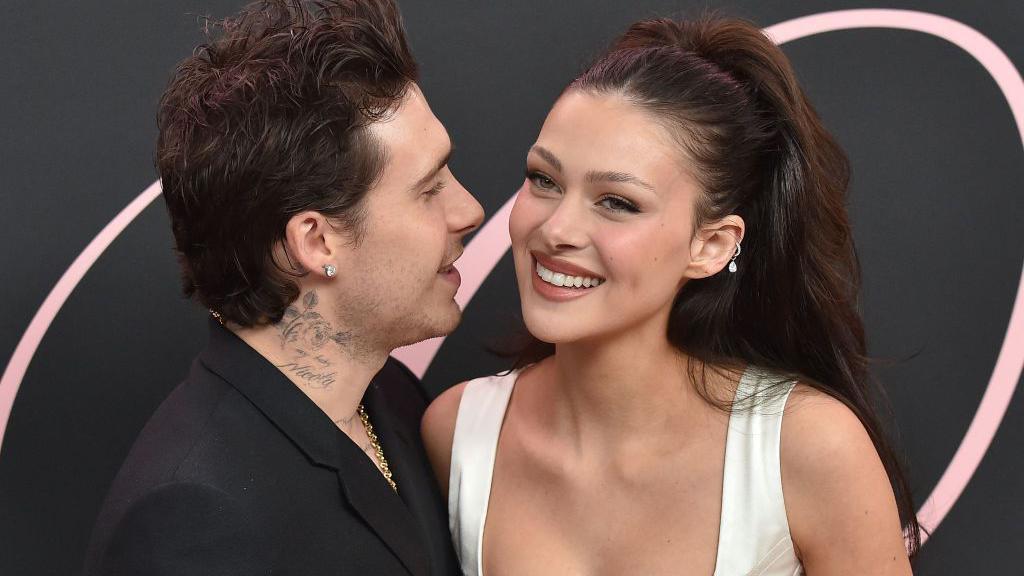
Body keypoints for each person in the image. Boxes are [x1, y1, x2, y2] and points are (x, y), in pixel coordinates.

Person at [423, 15, 921, 576]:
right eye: (545, 180)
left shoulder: (807, 448)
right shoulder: (457, 434)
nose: (556, 229)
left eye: (618, 202)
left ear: (710, 246)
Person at [82, 1, 483, 574]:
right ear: (315, 242)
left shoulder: (391, 395)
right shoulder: (192, 521)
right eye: (429, 189)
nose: (469, 210)